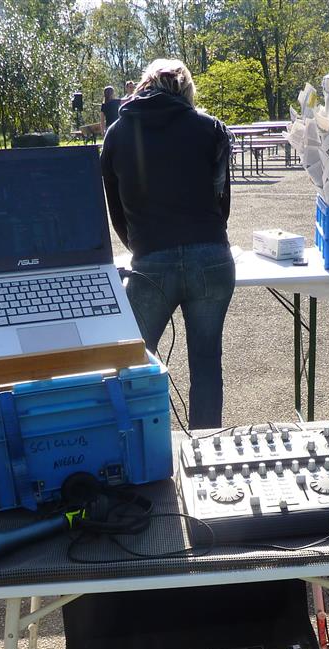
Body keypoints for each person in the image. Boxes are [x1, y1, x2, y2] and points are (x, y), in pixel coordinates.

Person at [100, 58, 235, 429]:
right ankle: (205, 447)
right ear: (187, 90)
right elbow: (222, 205)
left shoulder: (116, 133)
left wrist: (142, 247)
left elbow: (115, 211)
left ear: (144, 86)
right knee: (206, 363)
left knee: (132, 363)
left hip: (150, 261)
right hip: (211, 257)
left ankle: (141, 447)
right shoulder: (210, 128)